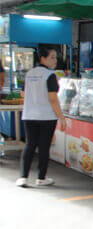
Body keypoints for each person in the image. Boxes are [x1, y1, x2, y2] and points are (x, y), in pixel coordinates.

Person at [16, 47, 66, 187]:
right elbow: (53, 99)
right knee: (44, 147)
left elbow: (23, 94)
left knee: (30, 145)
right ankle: (41, 178)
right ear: (43, 58)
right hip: (46, 117)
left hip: (29, 115)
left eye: (56, 57)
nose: (55, 60)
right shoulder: (49, 75)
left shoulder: (29, 74)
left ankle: (23, 177)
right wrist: (62, 117)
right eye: (52, 57)